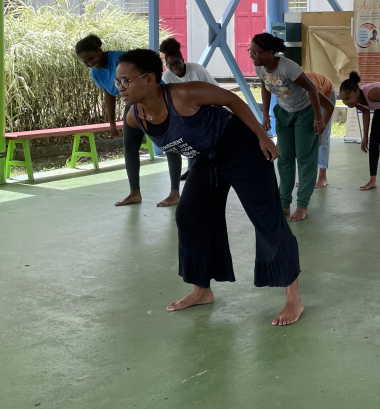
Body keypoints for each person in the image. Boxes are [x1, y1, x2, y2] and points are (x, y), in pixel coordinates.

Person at [117, 48, 303, 323]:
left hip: (241, 149)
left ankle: (293, 299)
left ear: (150, 79)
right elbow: (132, 151)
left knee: (267, 219)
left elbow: (231, 100)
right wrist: (135, 190)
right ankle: (202, 290)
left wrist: (263, 137)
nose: (120, 87)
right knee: (189, 215)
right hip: (206, 158)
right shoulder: (134, 117)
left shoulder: (184, 94)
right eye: (118, 81)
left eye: (126, 80)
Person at [75, 33, 179, 208]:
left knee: (170, 144)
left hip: (155, 100)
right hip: (133, 105)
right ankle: (134, 193)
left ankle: (175, 192)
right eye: (85, 62)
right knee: (130, 148)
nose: (90, 64)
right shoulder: (96, 73)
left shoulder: (121, 59)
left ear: (99, 50)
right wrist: (112, 123)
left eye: (91, 58)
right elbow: (109, 94)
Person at [248, 33, 334, 221]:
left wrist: (318, 119)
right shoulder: (260, 67)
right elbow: (265, 86)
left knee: (305, 159)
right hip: (283, 112)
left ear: (270, 52)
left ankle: (303, 205)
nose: (252, 56)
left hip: (305, 112)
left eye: (256, 52)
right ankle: (284, 203)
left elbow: (311, 89)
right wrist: (265, 114)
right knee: (284, 159)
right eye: (250, 52)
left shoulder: (288, 68)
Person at [160, 38, 219, 182]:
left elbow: (214, 92)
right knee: (188, 139)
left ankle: (201, 169)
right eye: (170, 65)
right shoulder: (167, 76)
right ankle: (192, 169)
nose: (174, 67)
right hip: (186, 112)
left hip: (208, 107)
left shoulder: (197, 70)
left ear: (182, 60)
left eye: (177, 63)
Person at [304, 71, 336, 189]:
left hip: (326, 95)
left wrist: (320, 131)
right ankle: (307, 177)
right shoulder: (286, 89)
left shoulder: (309, 87)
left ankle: (322, 177)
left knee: (322, 136)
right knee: (305, 135)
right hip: (309, 97)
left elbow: (327, 108)